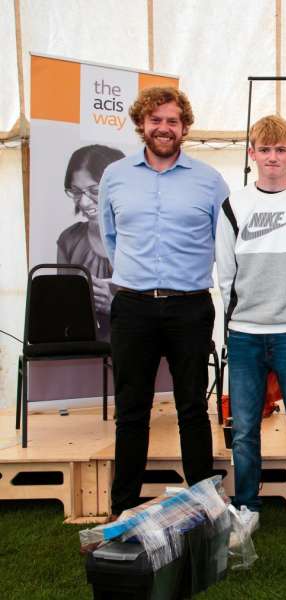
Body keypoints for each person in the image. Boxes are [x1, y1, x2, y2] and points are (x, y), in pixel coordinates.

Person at [99, 87, 229, 517]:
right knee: (131, 411)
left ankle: (204, 510)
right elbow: (111, 238)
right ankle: (122, 510)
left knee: (193, 407)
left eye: (172, 121)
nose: (164, 128)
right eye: (156, 120)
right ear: (141, 124)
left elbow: (223, 241)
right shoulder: (115, 177)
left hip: (190, 307)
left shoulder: (209, 181)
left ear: (185, 128)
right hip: (133, 306)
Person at [216, 115, 286, 545]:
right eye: (265, 150)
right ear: (253, 154)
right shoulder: (235, 206)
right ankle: (247, 508)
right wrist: (235, 319)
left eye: (280, 150)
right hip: (244, 334)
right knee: (243, 428)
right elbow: (223, 273)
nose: (273, 158)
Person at [57, 144, 124, 341]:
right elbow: (64, 308)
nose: (83, 202)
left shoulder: (142, 238)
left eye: (94, 190)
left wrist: (115, 306)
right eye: (76, 191)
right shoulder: (69, 240)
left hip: (137, 346)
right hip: (82, 348)